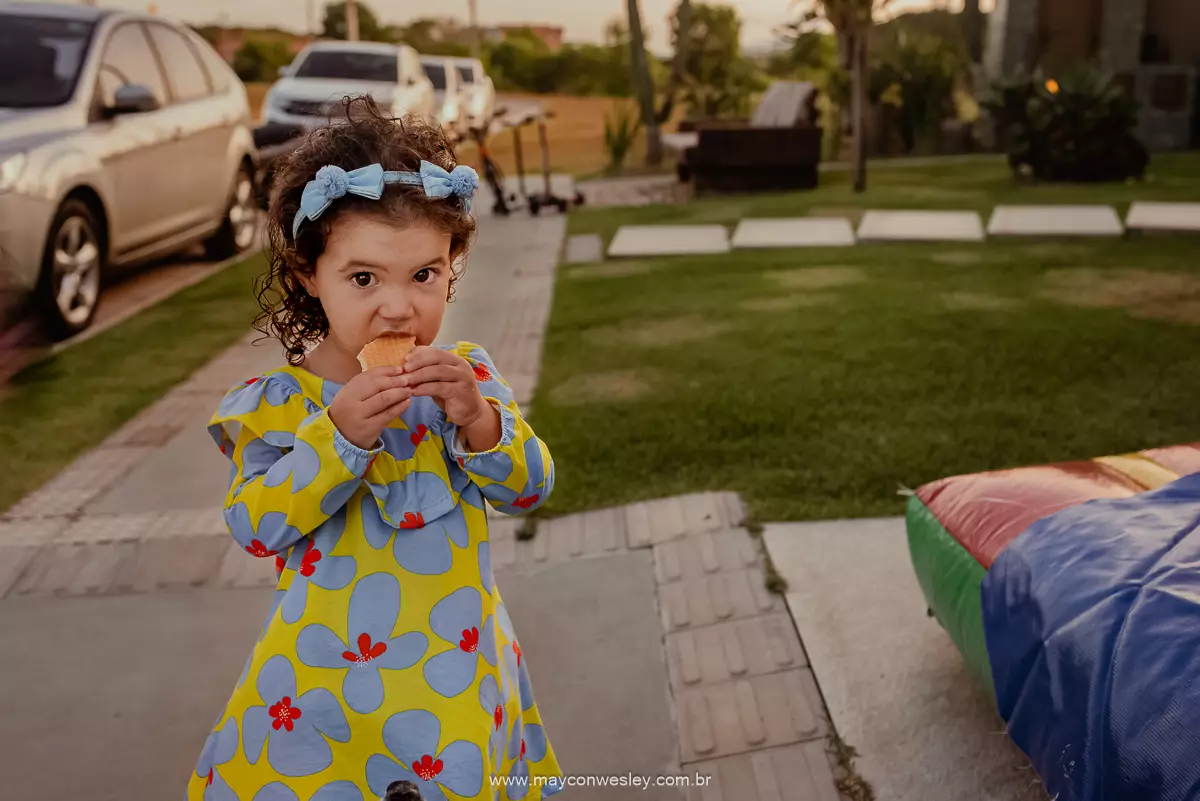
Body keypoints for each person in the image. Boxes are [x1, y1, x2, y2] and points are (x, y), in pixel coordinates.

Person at [187, 97, 563, 801]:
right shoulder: (278, 405)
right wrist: (337, 438)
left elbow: (530, 487)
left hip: (456, 682)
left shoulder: (467, 379)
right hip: (325, 699)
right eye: (364, 278)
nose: (398, 307)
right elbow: (255, 525)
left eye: (423, 275)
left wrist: (478, 419)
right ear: (308, 276)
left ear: (451, 264)